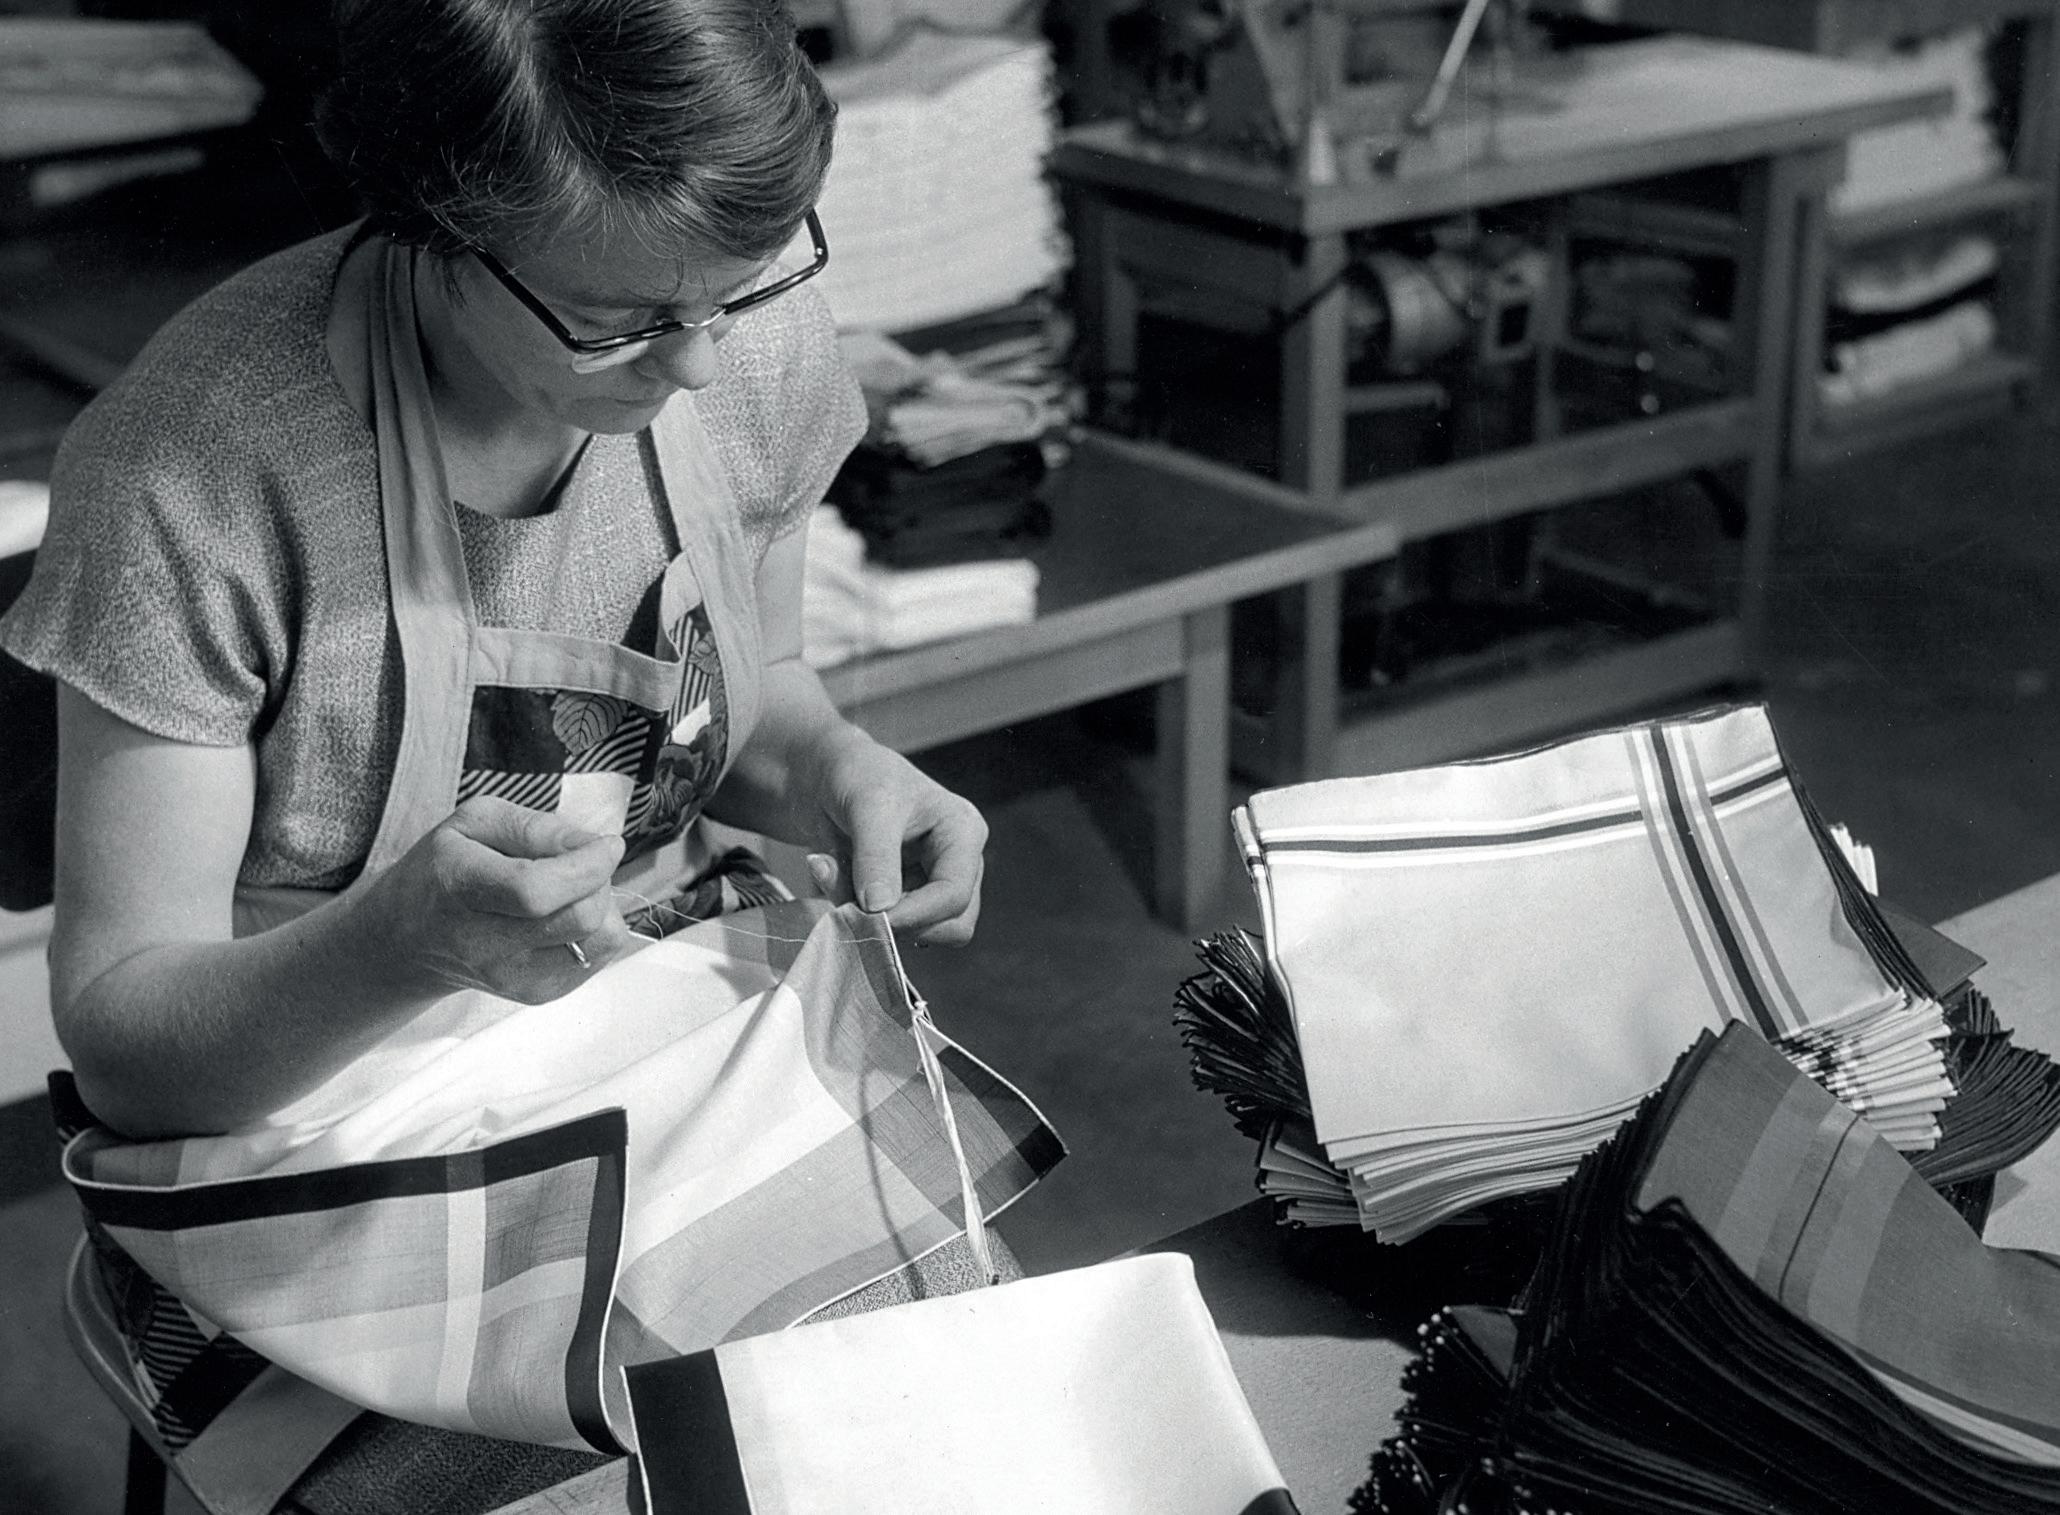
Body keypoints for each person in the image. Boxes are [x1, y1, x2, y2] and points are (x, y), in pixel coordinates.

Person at [4, 1, 1054, 1508]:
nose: (697, 367)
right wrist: (399, 946)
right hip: (302, 1116)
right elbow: (131, 1045)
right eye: (617, 320)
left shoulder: (740, 335)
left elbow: (756, 690)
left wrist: (839, 770)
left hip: (650, 1004)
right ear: (433, 221)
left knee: (940, 1414)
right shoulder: (200, 467)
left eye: (742, 289)